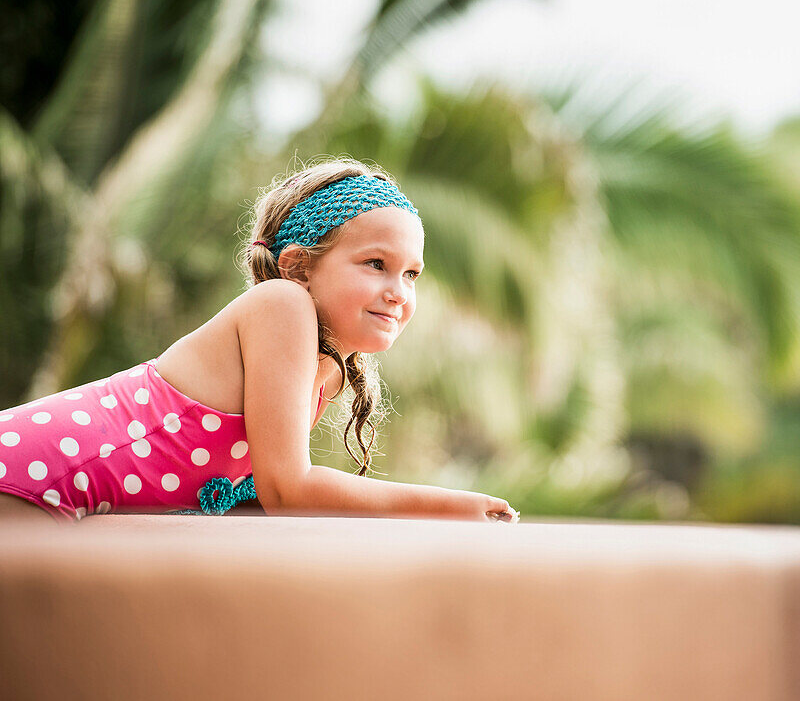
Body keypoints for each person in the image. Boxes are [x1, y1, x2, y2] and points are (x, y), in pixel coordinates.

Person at [0, 158, 518, 525]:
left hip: (49, 495)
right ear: (298, 266)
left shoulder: (322, 368)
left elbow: (251, 500)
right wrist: (452, 505)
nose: (397, 292)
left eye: (411, 274)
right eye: (376, 264)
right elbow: (287, 489)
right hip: (27, 476)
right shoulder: (282, 306)